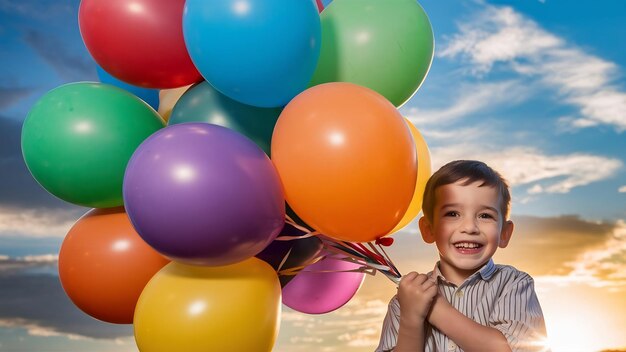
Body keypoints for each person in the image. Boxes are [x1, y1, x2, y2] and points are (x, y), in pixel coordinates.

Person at [376, 160, 548, 352]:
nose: (469, 228)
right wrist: (411, 321)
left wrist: (437, 309)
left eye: (485, 216)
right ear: (428, 229)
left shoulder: (514, 284)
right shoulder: (405, 301)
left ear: (504, 233)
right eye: (452, 213)